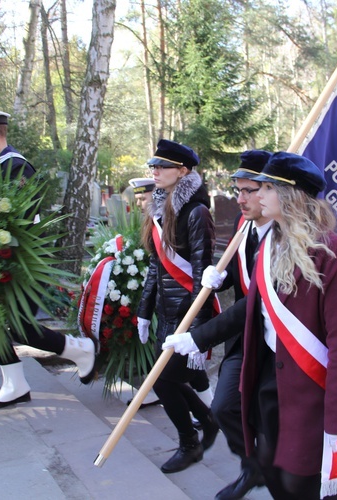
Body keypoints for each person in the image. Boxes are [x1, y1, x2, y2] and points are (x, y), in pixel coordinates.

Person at [166, 152, 337, 499]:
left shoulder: (332, 254)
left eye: (267, 188)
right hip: (269, 382)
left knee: (302, 482)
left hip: (310, 386)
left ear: (289, 195)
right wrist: (195, 338)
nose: (256, 196)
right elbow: (251, 308)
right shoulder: (271, 245)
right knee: (275, 473)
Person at [0, 106, 96, 409]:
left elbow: (17, 217)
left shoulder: (15, 166)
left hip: (16, 262)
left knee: (21, 327)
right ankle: (14, 383)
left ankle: (78, 350)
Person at [173, 149, 273, 499]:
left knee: (267, 416)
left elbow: (258, 300)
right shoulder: (245, 227)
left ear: (269, 190)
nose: (241, 199)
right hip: (243, 338)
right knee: (224, 407)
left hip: (276, 343)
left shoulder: (284, 236)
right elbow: (237, 270)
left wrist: (198, 337)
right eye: (238, 190)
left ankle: (265, 472)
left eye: (249, 190)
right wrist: (219, 276)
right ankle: (255, 467)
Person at [137, 139, 219, 473]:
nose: (154, 172)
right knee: (166, 379)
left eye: (162, 167)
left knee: (162, 380)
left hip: (188, 312)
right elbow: (157, 265)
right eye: (153, 166)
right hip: (166, 312)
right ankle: (208, 420)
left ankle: (190, 443)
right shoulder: (160, 207)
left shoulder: (197, 212)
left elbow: (202, 275)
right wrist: (144, 310)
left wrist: (199, 332)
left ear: (182, 171)